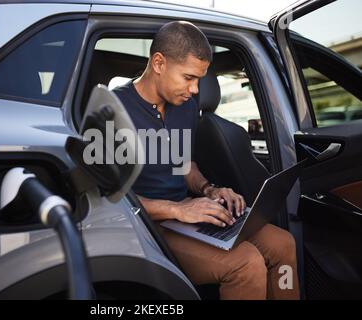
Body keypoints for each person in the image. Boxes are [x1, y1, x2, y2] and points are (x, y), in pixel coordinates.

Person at [113, 21, 299, 300]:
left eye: (199, 79)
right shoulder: (113, 110)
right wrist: (177, 210)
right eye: (188, 78)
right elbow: (108, 199)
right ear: (159, 63)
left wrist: (209, 190)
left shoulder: (185, 106)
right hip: (144, 227)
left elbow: (184, 163)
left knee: (283, 244)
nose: (196, 90)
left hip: (184, 215)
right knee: (246, 264)